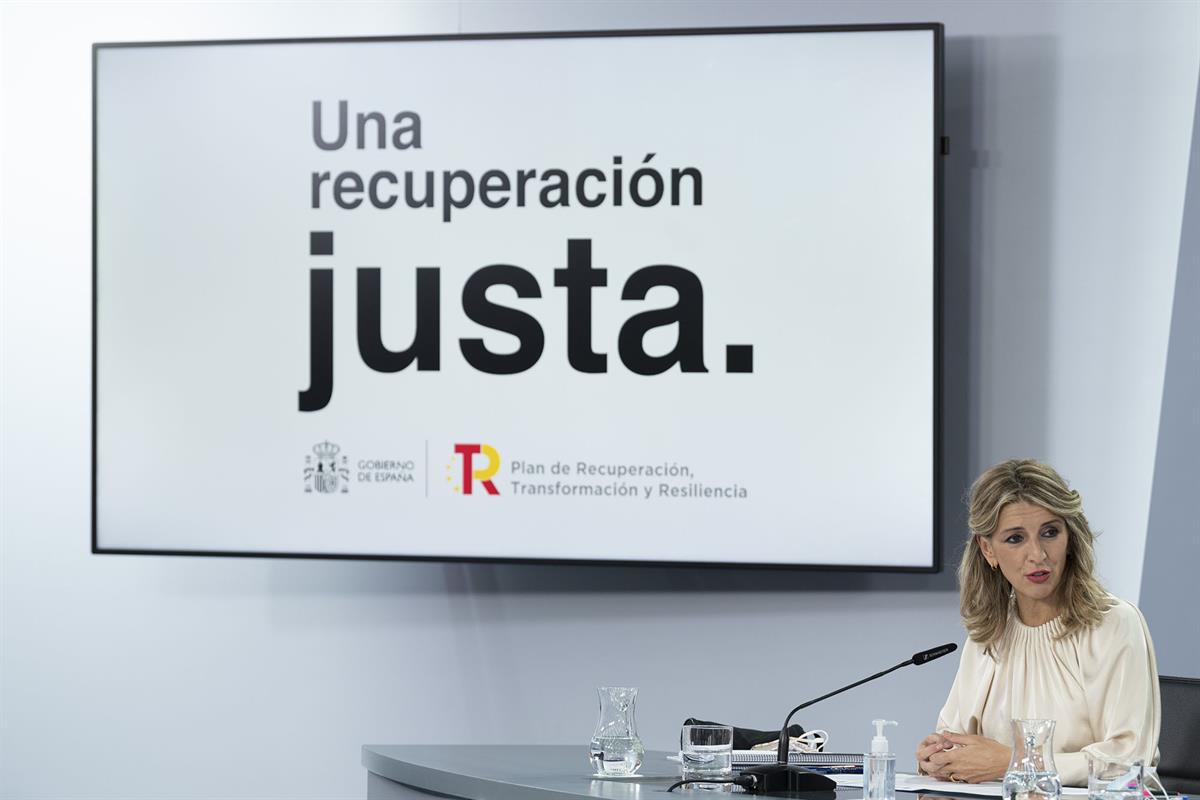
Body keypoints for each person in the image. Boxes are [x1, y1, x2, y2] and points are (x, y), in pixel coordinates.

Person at [916, 459, 1160, 786]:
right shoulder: (989, 632)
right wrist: (940, 756)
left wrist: (1014, 762)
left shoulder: (1114, 624)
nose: (1038, 555)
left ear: (1070, 537)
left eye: (1050, 532)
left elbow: (1130, 762)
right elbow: (956, 738)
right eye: (1015, 538)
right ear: (988, 549)